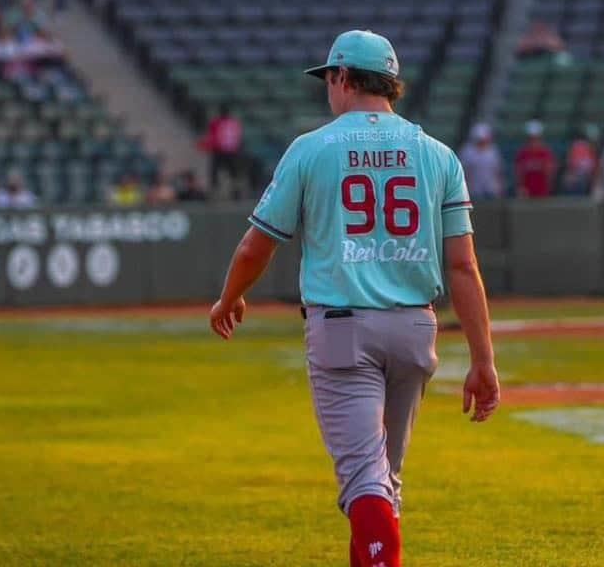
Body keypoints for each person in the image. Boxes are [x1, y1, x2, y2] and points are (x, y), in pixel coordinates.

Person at [208, 30, 499, 567]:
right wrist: (482, 360)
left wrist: (229, 297)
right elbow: (463, 266)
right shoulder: (438, 154)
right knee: (385, 481)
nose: (328, 89)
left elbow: (257, 244)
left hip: (342, 328)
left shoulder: (312, 149)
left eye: (329, 79)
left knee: (366, 482)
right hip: (415, 327)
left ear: (342, 77)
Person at [198, 104, 243, 198]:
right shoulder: (224, 123)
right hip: (223, 151)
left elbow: (236, 137)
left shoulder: (227, 123)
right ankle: (217, 190)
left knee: (231, 172)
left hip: (226, 151)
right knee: (216, 172)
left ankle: (234, 191)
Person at [458, 123, 504, 200]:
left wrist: (500, 188)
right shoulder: (467, 151)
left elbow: (498, 171)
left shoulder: (493, 151)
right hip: (474, 190)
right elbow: (463, 173)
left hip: (491, 189)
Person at [514, 120, 556, 198]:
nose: (533, 141)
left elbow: (550, 172)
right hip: (527, 191)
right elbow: (519, 172)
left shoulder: (545, 152)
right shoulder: (523, 153)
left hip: (542, 190)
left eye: (535, 138)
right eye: (531, 138)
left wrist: (548, 187)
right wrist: (521, 187)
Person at [560, 125, 599, 196]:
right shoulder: (578, 146)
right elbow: (570, 163)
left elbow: (592, 166)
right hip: (576, 178)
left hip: (584, 179)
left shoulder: (590, 149)